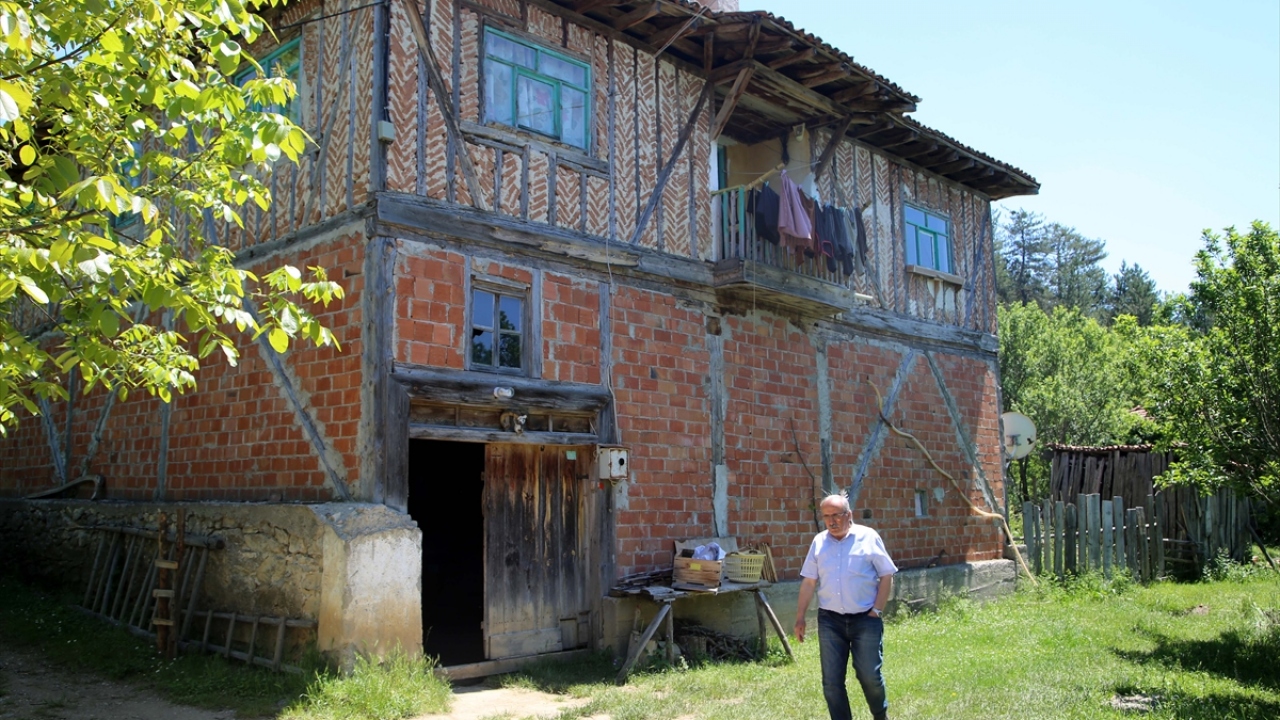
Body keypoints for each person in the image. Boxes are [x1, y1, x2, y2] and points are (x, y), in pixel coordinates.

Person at [794, 493, 897, 720]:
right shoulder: (819, 542)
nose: (831, 521)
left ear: (849, 514)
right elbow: (809, 581)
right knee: (831, 682)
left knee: (869, 676)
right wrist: (800, 617)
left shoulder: (868, 537)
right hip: (830, 621)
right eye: (826, 516)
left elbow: (887, 574)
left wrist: (876, 611)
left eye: (836, 515)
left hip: (865, 619)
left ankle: (880, 716)